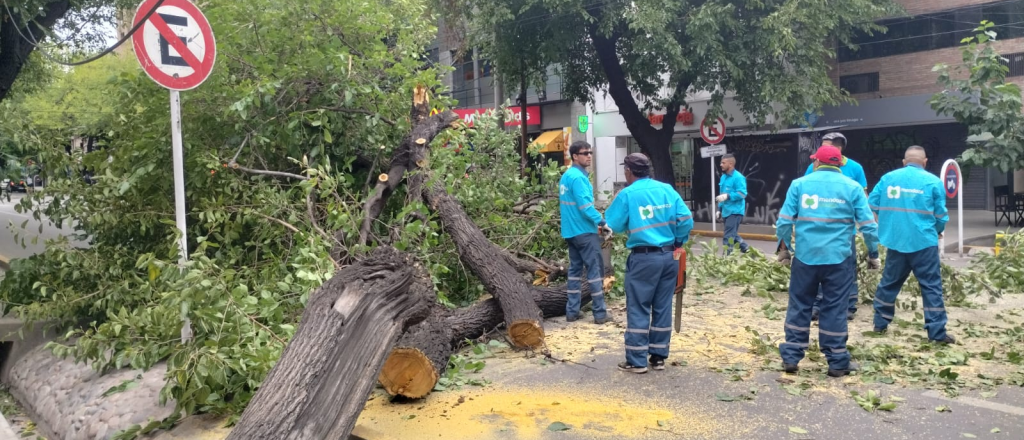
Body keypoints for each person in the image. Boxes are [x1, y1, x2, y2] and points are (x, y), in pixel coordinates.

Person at [776, 145, 880, 377]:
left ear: (816, 163)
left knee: (800, 305)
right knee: (834, 308)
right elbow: (869, 227)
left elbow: (783, 222)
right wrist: (873, 254)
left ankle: (791, 356)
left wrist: (785, 249)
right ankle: (836, 361)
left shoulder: (799, 184)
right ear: (840, 164)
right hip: (839, 259)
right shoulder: (853, 188)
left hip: (805, 258)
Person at [605, 153, 693, 374]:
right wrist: (678, 241)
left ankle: (636, 360)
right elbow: (686, 219)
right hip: (668, 257)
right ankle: (658, 356)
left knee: (638, 307)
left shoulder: (627, 194)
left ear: (628, 171)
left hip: (643, 259)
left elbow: (612, 225)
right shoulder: (667, 190)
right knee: (662, 306)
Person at [868, 146, 955, 344]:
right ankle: (936, 333)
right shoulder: (933, 181)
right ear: (924, 162)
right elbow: (941, 215)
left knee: (889, 283)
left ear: (904, 162)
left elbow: (872, 203)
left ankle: (879, 324)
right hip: (924, 242)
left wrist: (890, 221)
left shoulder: (888, 178)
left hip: (896, 240)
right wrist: (937, 229)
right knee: (931, 287)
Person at [804, 132, 868, 321]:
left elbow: (863, 196)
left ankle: (849, 305)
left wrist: (867, 222)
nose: (820, 150)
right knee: (817, 268)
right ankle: (816, 305)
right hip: (816, 229)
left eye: (825, 146)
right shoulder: (813, 166)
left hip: (844, 231)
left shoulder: (855, 168)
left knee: (848, 266)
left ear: (838, 148)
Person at [559, 141, 610, 324]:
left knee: (574, 272)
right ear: (574, 156)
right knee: (595, 272)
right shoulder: (579, 178)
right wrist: (602, 222)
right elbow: (585, 207)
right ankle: (600, 313)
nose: (589, 156)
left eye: (590, 152)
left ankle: (572, 312)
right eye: (584, 153)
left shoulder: (566, 176)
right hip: (584, 233)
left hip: (571, 232)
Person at [716, 154, 749, 253]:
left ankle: (726, 260)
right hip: (726, 210)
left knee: (728, 236)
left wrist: (728, 196)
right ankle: (748, 250)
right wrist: (719, 209)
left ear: (730, 164)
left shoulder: (738, 177)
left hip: (735, 211)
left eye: (723, 163)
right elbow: (722, 195)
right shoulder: (723, 177)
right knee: (732, 235)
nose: (721, 164)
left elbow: (742, 193)